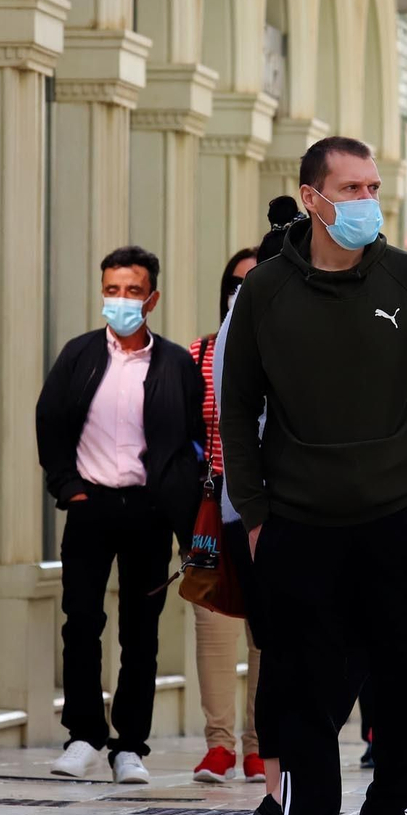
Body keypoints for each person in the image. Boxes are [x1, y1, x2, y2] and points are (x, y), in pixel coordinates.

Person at [221, 137, 407, 815]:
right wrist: (256, 516)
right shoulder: (265, 291)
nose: (367, 200)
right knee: (304, 694)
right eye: (352, 187)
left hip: (402, 523)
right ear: (312, 197)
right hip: (300, 526)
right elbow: (236, 411)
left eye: (373, 186)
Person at [35, 246, 205, 786]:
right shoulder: (80, 355)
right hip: (90, 508)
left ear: (152, 298)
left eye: (133, 291)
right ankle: (83, 736)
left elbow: (193, 442)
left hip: (149, 512)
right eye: (112, 290)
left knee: (141, 632)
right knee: (82, 622)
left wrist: (183, 512)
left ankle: (130, 746)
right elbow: (50, 421)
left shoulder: (175, 364)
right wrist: (69, 489)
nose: (122, 300)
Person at [218, 197, 306, 815]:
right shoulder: (254, 317)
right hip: (269, 514)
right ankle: (281, 793)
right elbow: (238, 421)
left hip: (271, 511)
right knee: (285, 654)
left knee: (284, 654)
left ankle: (285, 791)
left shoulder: (253, 314)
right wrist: (256, 516)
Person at [187, 249, 265, 785]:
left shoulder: (283, 351)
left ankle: (261, 745)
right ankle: (219, 746)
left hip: (267, 509)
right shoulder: (199, 355)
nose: (243, 291)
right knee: (212, 624)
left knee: (266, 632)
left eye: (254, 281)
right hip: (213, 511)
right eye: (236, 283)